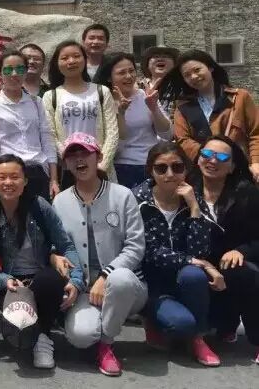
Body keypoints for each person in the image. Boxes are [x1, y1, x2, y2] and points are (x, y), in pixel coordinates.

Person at [0, 154, 83, 369]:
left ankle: (44, 337)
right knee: (19, 333)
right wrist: (3, 279)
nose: (8, 182)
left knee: (48, 281)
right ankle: (30, 331)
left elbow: (66, 246)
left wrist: (76, 280)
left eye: (15, 177)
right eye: (2, 177)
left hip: (41, 276)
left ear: (25, 181)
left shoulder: (39, 206)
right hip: (9, 281)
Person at [52, 132, 146, 377]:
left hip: (125, 286)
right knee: (81, 336)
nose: (79, 159)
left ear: (99, 157)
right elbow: (56, 246)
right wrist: (55, 258)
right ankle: (98, 325)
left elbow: (135, 245)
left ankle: (106, 344)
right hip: (84, 288)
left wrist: (105, 276)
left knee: (121, 279)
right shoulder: (60, 201)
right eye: (72, 155)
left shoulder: (123, 195)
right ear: (66, 163)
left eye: (85, 153)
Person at [132, 142, 221, 366]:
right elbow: (149, 251)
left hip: (184, 279)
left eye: (177, 167)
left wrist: (194, 208)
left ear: (186, 169)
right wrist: (199, 262)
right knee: (181, 324)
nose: (170, 174)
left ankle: (198, 338)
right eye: (161, 168)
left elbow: (200, 250)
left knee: (194, 274)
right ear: (151, 171)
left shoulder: (193, 197)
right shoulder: (137, 200)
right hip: (151, 284)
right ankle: (153, 318)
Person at [190, 135, 259, 363]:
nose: (212, 161)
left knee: (242, 271)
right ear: (198, 158)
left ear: (232, 166)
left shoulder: (248, 194)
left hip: (235, 266)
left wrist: (242, 251)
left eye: (221, 157)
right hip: (200, 265)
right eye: (207, 154)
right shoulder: (187, 190)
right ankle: (223, 325)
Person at [159, 49, 259, 183]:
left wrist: (256, 162)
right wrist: (210, 156)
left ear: (210, 68)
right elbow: (182, 140)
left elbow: (255, 133)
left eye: (197, 70)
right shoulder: (182, 107)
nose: (193, 77)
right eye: (187, 75)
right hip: (204, 174)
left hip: (239, 171)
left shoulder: (239, 97)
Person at [0, 50, 58, 200]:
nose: (14, 74)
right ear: (0, 73)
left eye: (20, 69)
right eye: (8, 70)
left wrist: (54, 179)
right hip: (8, 175)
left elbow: (47, 139)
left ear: (26, 72)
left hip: (38, 171)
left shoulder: (36, 102)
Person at [43, 40, 119, 185]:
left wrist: (101, 164)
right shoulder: (50, 96)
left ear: (85, 59)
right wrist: (69, 158)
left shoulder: (101, 91)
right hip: (68, 169)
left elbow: (112, 132)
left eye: (76, 56)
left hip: (100, 167)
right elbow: (51, 135)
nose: (71, 61)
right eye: (64, 58)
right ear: (57, 64)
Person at [94, 52, 172, 189]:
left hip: (151, 164)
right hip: (120, 167)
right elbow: (116, 149)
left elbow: (167, 134)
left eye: (131, 71)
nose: (129, 76)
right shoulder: (102, 102)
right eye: (122, 73)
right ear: (109, 77)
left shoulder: (146, 95)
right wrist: (121, 113)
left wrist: (154, 108)